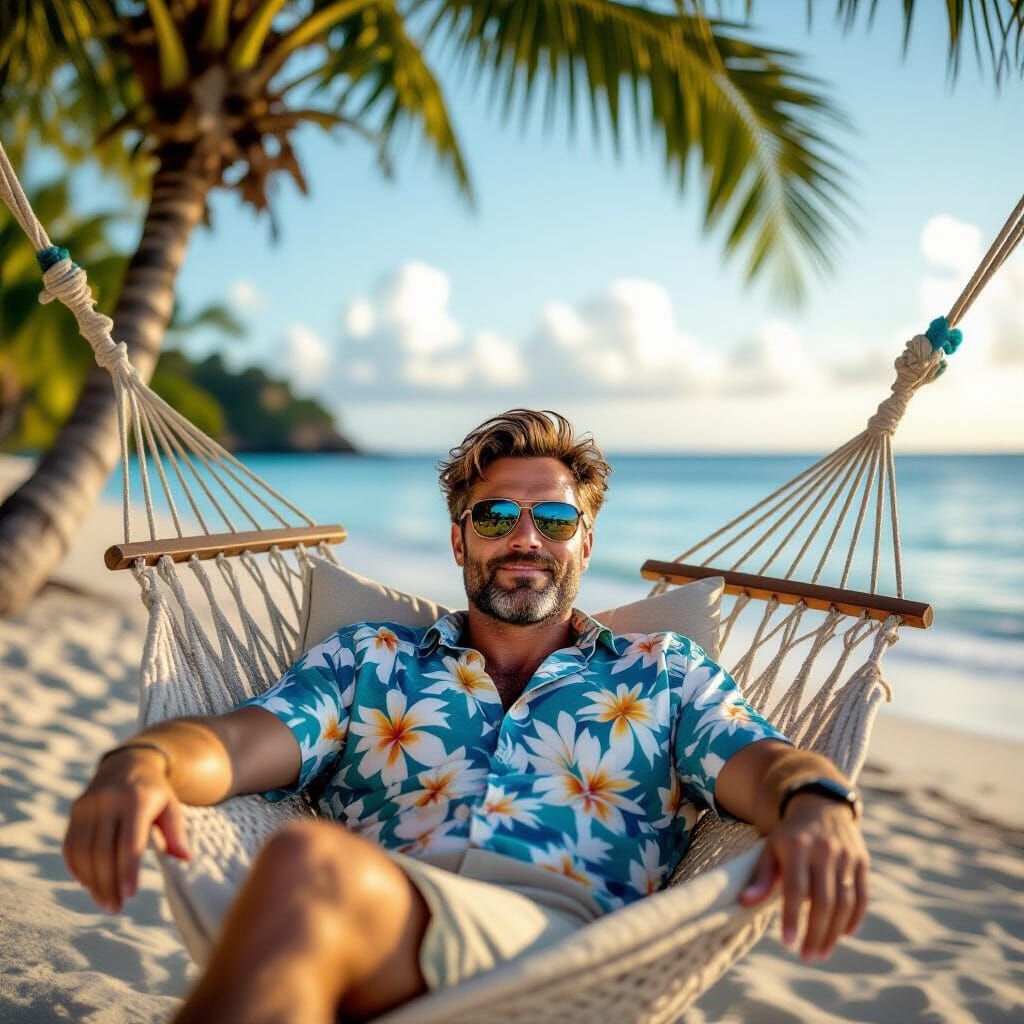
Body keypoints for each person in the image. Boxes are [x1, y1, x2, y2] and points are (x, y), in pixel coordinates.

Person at [63, 409, 870, 1024]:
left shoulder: (661, 671)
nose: (526, 539)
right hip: (378, 923)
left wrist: (817, 799)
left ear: (585, 545)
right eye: (495, 517)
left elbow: (762, 759)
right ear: (459, 542)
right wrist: (144, 762)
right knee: (309, 876)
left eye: (555, 521)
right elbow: (241, 742)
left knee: (309, 867)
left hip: (574, 960)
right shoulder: (371, 659)